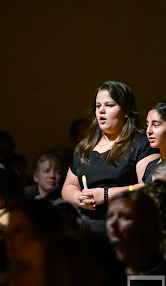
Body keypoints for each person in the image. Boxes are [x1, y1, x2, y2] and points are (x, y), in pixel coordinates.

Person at [61, 81, 159, 234]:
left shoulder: (141, 143)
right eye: (98, 106)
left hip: (124, 227)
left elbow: (148, 187)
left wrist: (106, 195)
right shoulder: (85, 146)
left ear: (126, 110)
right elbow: (68, 187)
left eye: (109, 105)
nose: (101, 111)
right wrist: (79, 197)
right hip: (87, 229)